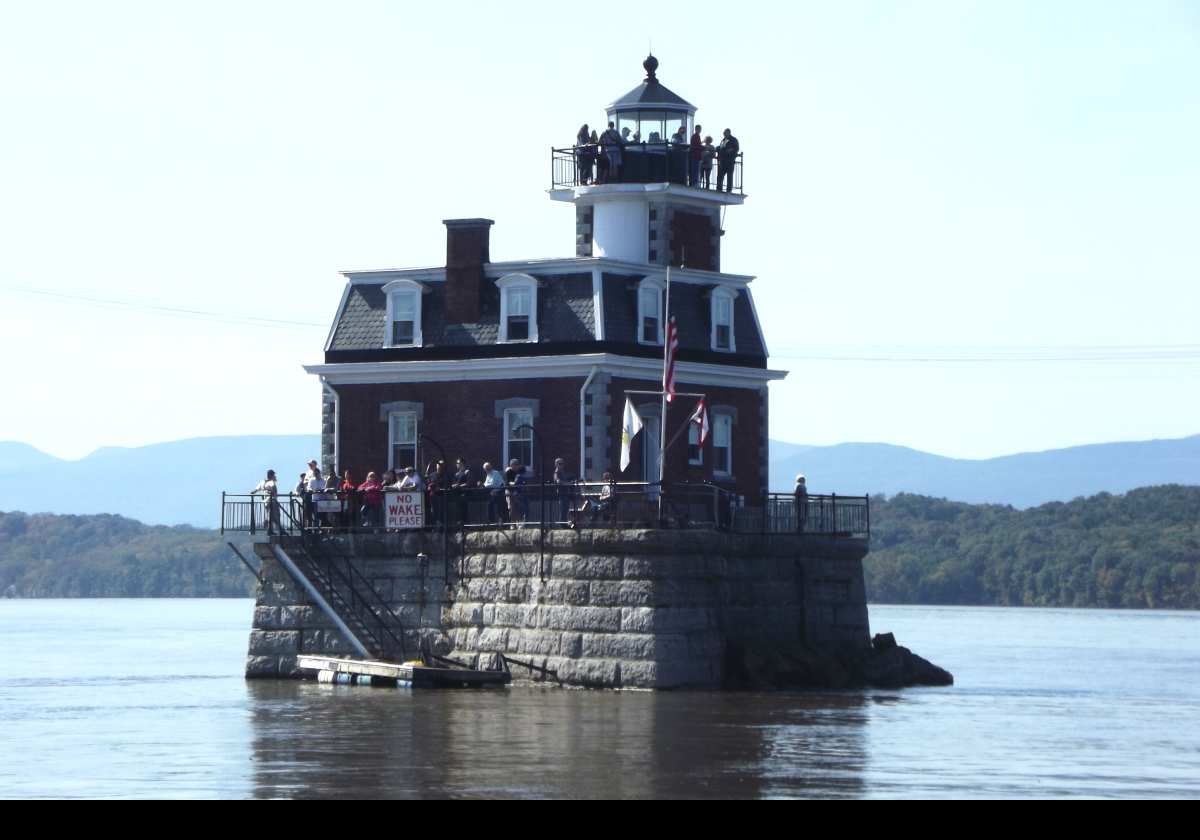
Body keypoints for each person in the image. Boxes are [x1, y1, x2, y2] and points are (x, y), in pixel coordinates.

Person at [552, 457, 575, 524]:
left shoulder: (562, 472)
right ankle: (562, 524)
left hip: (566, 493)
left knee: (566, 509)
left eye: (562, 463)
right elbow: (558, 481)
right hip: (562, 493)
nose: (562, 465)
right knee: (563, 510)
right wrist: (568, 483)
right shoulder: (556, 472)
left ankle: (564, 523)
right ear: (556, 464)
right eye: (560, 463)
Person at [505, 459, 527, 526]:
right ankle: (512, 523)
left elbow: (521, 481)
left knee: (518, 507)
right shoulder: (508, 472)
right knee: (511, 507)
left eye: (517, 465)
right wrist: (514, 484)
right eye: (515, 465)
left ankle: (518, 522)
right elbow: (507, 483)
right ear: (511, 465)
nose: (516, 466)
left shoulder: (519, 472)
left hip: (517, 492)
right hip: (509, 491)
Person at [717, 128, 740, 193]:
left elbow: (736, 148)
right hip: (723, 161)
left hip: (730, 161)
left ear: (728, 132)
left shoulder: (734, 140)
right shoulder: (724, 140)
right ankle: (719, 189)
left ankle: (729, 190)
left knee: (729, 176)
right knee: (720, 176)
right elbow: (721, 148)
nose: (724, 134)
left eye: (725, 133)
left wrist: (731, 150)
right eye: (724, 133)